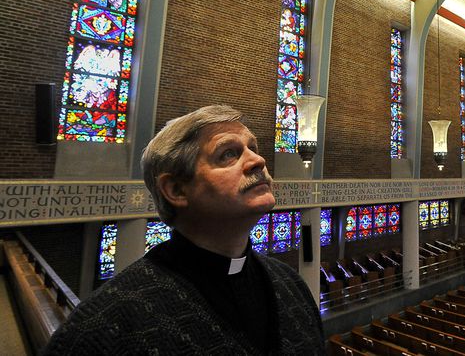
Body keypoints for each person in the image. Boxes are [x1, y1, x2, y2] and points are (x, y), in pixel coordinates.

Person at [43, 105, 325, 355]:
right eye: (228, 154)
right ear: (176, 190)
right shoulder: (105, 323)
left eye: (253, 148)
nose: (258, 161)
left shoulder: (291, 284)